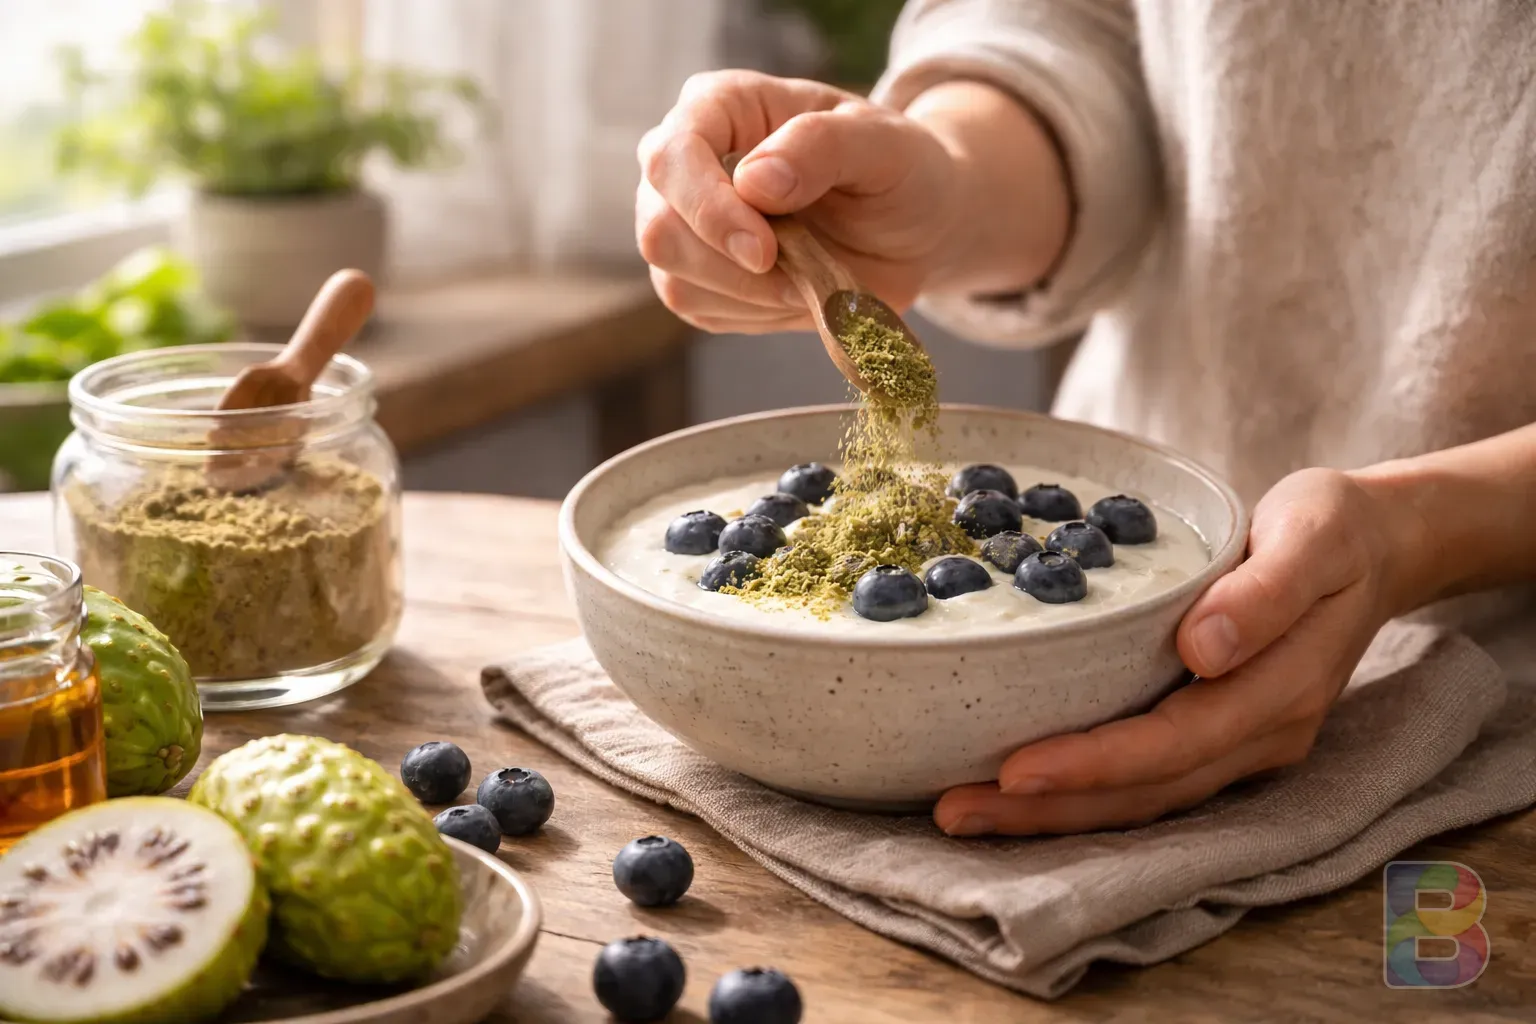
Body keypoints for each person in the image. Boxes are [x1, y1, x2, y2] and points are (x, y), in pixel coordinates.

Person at [634, 0, 1536, 836]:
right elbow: (1080, 27)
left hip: (1498, 698)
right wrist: (948, 182)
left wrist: (1423, 527)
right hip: (1145, 573)